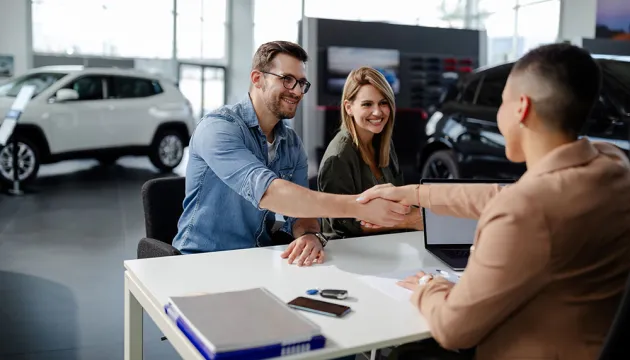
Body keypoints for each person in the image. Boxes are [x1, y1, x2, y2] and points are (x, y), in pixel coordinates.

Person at [358, 43, 630, 359]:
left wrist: (429, 287)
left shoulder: (525, 212)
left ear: (521, 109)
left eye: (501, 102)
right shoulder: (613, 165)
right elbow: (505, 194)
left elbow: (452, 328)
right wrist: (415, 193)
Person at [172, 41, 408, 266]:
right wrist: (360, 207)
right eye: (287, 80)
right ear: (257, 79)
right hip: (202, 260)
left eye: (301, 83)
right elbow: (271, 193)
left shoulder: (291, 142)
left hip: (257, 258)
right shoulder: (218, 128)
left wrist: (308, 235)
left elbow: (302, 216)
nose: (296, 91)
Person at [318, 66, 423, 239]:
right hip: (350, 254)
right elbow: (343, 226)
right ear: (349, 107)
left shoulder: (383, 144)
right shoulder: (338, 157)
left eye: (383, 102)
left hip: (388, 245)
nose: (378, 112)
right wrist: (410, 221)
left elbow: (399, 201)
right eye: (367, 104)